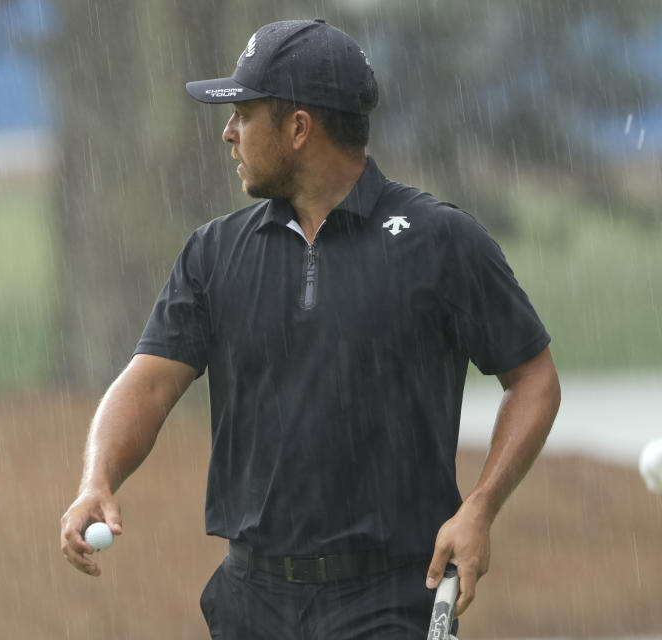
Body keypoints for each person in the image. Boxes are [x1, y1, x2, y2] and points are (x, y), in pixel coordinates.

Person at [60, 18, 560, 639]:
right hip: (251, 601)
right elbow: (150, 383)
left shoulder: (440, 241)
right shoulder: (214, 253)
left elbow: (534, 377)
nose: (228, 132)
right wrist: (96, 480)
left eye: (243, 113)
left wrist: (480, 508)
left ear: (298, 128)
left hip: (391, 600)